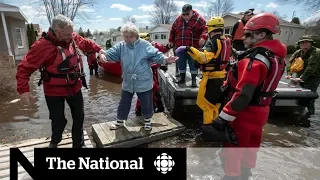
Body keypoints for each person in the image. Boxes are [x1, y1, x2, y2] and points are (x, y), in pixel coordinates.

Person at [201, 13, 286, 180]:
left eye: (248, 34)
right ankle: (246, 173)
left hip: (244, 113)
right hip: (262, 111)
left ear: (261, 35)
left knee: (233, 149)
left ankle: (231, 176)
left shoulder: (253, 61)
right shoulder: (277, 58)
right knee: (251, 146)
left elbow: (243, 95)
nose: (243, 37)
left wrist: (223, 118)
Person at [16, 14, 104, 148]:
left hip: (74, 87)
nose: (72, 36)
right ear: (57, 31)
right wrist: (23, 91)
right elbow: (24, 68)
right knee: (58, 120)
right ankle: (55, 141)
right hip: (53, 91)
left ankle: (78, 145)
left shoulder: (71, 36)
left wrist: (100, 50)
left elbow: (86, 43)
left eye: (72, 33)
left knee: (79, 117)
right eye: (68, 34)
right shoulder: (42, 46)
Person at [98, 23, 178, 131]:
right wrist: (103, 55)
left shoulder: (145, 45)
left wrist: (166, 60)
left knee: (146, 102)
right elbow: (109, 53)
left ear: (136, 36)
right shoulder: (121, 46)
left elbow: (157, 55)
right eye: (125, 36)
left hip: (143, 80)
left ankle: (147, 121)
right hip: (128, 80)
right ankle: (120, 121)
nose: (127, 39)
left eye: (130, 37)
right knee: (124, 102)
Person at [175, 16, 232, 125]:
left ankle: (208, 128)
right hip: (222, 77)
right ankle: (215, 126)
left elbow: (204, 58)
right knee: (215, 105)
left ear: (210, 29)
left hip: (211, 79)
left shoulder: (212, 42)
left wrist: (188, 49)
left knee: (206, 104)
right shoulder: (227, 41)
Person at [169, 4, 207, 87]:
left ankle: (194, 80)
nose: (185, 16)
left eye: (187, 14)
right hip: (180, 47)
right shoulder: (178, 19)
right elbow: (173, 30)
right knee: (180, 62)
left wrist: (203, 37)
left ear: (191, 12)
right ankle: (182, 78)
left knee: (193, 63)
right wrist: (171, 40)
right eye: (183, 14)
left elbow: (205, 29)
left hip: (193, 47)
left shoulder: (199, 19)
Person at [135, 33, 170, 116]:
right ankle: (139, 112)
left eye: (147, 40)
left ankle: (160, 111)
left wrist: (169, 46)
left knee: (156, 93)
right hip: (142, 76)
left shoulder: (154, 45)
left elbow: (163, 49)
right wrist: (160, 64)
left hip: (153, 76)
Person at [286, 35, 320, 116]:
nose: (304, 44)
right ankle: (298, 111)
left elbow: (311, 67)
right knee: (298, 93)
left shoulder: (316, 52)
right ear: (299, 44)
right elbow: (290, 63)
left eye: (307, 42)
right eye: (302, 43)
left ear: (311, 43)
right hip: (299, 75)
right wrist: (289, 74)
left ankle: (310, 113)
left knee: (309, 96)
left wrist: (301, 78)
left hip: (313, 77)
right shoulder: (298, 52)